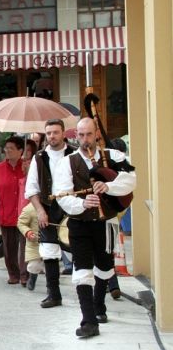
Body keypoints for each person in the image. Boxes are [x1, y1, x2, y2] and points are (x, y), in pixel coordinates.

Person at [53, 117, 136, 338]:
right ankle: (88, 320)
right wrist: (82, 203)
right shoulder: (68, 162)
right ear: (75, 136)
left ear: (96, 133)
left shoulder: (113, 157)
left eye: (89, 134)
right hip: (79, 223)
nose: (85, 140)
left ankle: (99, 306)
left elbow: (131, 179)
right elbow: (62, 194)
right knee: (81, 270)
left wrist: (108, 185)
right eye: (80, 135)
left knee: (105, 266)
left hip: (106, 222)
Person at [25, 119, 76, 308]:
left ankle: (87, 297)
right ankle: (53, 294)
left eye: (55, 132)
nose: (52, 136)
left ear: (63, 133)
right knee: (49, 253)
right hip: (48, 208)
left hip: (73, 209)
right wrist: (40, 211)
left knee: (79, 252)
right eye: (48, 133)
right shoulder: (39, 157)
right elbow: (31, 189)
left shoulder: (74, 154)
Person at [0, 136, 29, 285]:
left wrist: (28, 172)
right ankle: (13, 274)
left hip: (25, 215)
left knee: (25, 247)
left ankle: (24, 275)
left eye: (11, 148)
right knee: (9, 248)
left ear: (20, 151)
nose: (7, 151)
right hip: (7, 214)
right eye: (6, 148)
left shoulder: (28, 167)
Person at [17, 202, 43, 291]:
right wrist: (28, 232)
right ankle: (32, 279)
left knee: (51, 266)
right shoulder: (29, 208)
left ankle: (51, 286)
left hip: (50, 241)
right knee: (34, 265)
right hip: (35, 243)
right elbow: (21, 223)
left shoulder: (53, 207)